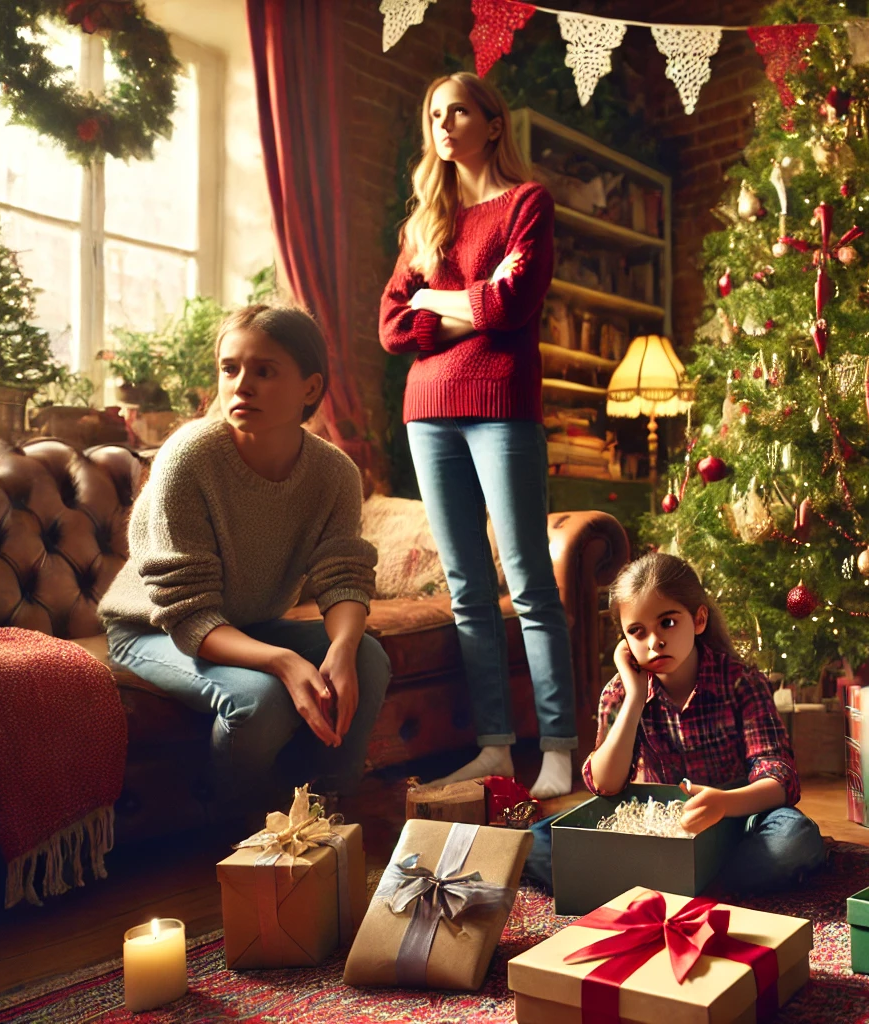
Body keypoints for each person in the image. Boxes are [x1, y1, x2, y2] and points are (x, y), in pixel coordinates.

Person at [100, 305, 390, 820]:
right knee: (261, 699)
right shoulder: (189, 456)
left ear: (309, 387)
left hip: (246, 623)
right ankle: (245, 838)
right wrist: (283, 660)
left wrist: (342, 649)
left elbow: (342, 574)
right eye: (229, 368)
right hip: (153, 630)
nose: (241, 385)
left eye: (264, 370)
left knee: (367, 657)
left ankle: (329, 814)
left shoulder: (334, 474)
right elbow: (189, 615)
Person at [379, 71, 578, 797]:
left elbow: (512, 304)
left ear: (493, 123)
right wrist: (457, 303)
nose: (443, 123)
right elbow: (392, 325)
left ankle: (557, 746)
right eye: (434, 113)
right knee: (467, 589)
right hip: (426, 411)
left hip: (501, 404)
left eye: (458, 110)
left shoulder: (528, 204)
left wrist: (436, 296)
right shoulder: (423, 224)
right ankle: (494, 748)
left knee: (527, 582)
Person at [525, 553, 827, 894]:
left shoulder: (741, 681)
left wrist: (725, 804)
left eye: (667, 623)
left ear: (698, 620)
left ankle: (666, 880)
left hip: (738, 819)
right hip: (662, 828)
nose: (654, 642)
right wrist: (636, 697)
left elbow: (780, 778)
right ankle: (687, 878)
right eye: (637, 632)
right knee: (533, 843)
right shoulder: (622, 692)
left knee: (793, 839)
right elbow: (606, 785)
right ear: (624, 641)